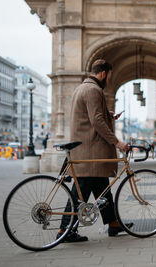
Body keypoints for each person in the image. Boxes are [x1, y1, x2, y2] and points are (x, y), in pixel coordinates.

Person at [58, 59, 129, 243]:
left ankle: (113, 223)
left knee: (102, 188)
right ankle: (64, 230)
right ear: (104, 73)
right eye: (109, 76)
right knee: (79, 193)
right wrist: (117, 142)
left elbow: (90, 116)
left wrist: (109, 115)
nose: (108, 80)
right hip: (90, 150)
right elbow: (96, 121)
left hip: (89, 150)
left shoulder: (83, 88)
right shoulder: (93, 90)